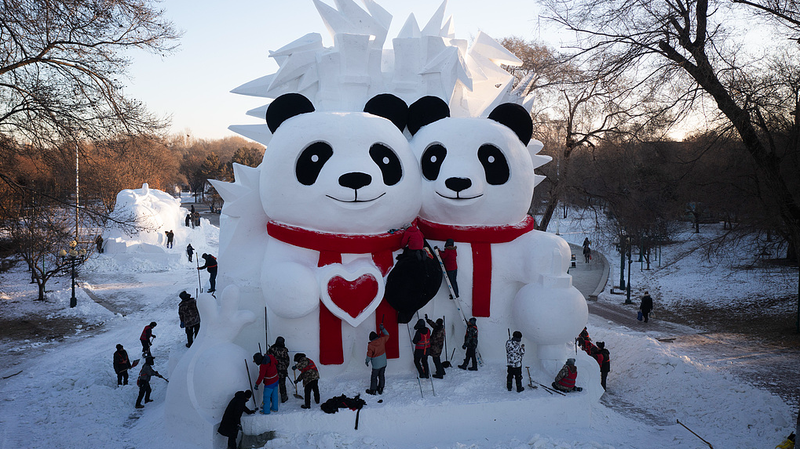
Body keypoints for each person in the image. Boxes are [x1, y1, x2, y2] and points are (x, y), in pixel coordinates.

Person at [365, 324, 390, 395]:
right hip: (384, 363)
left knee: (374, 377)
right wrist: (383, 329)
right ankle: (381, 388)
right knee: (381, 375)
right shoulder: (382, 340)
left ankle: (373, 390)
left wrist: (367, 361)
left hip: (376, 365)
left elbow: (369, 355)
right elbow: (387, 335)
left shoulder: (371, 345)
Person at [267, 336, 291, 403]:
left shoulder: (271, 349)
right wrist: (285, 367)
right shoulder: (284, 350)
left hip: (273, 371)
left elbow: (268, 359)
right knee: (282, 385)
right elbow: (287, 361)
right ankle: (284, 398)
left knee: (273, 384)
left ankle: (272, 398)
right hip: (282, 371)